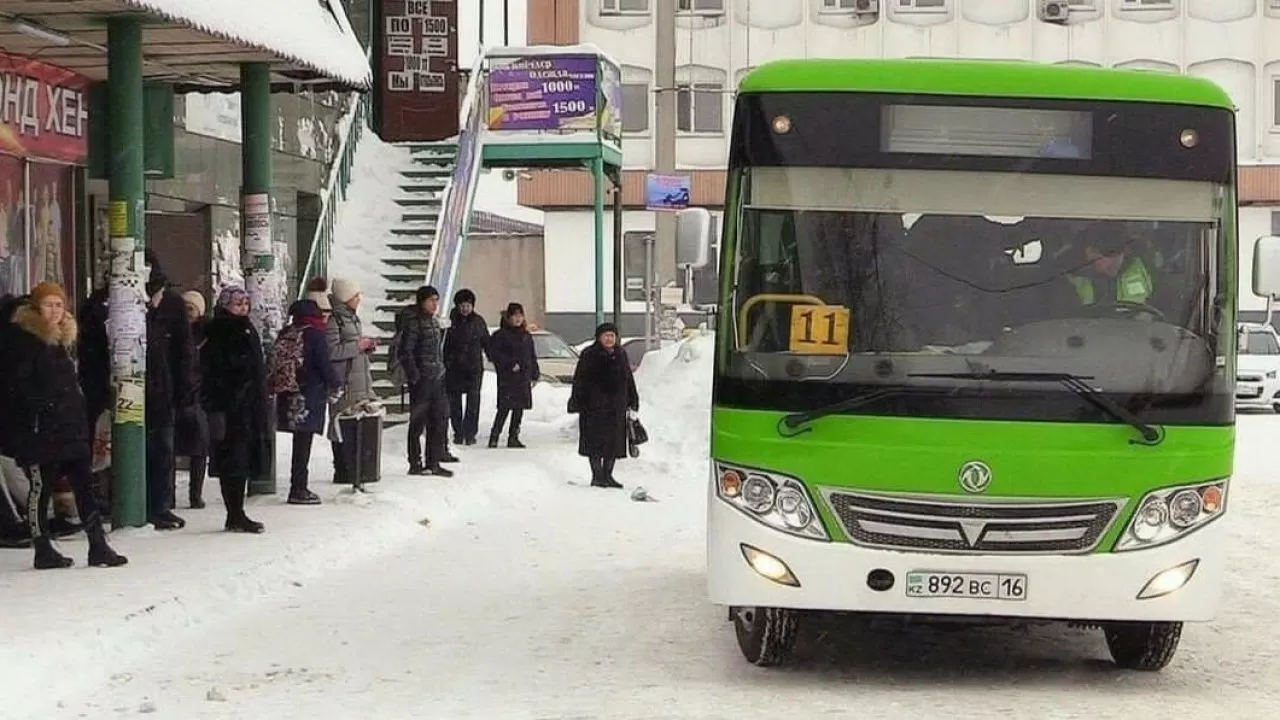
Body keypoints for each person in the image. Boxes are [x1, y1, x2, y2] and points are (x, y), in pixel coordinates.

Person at [1, 282, 127, 568]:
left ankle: (98, 545)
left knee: (84, 486)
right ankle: (42, 547)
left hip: (69, 427)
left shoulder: (62, 340)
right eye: (48, 304)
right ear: (36, 307)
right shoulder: (23, 341)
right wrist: (33, 418)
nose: (55, 311)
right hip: (39, 430)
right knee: (40, 489)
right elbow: (17, 389)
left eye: (59, 304)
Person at [201, 286, 270, 533]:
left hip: (246, 407)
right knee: (234, 460)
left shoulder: (244, 328)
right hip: (233, 408)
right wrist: (238, 392)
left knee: (239, 459)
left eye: (245, 303)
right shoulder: (223, 331)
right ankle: (235, 512)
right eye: (237, 303)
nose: (242, 308)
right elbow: (220, 370)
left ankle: (236, 512)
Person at [144, 258, 194, 530]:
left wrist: (184, 388)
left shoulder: (172, 304)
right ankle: (142, 503)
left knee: (162, 449)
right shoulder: (122, 301)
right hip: (138, 389)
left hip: (163, 388)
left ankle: (160, 504)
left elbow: (184, 349)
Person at [275, 299, 342, 505]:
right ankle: (298, 487)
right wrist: (336, 383)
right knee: (303, 443)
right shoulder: (314, 334)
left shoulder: (287, 332)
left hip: (289, 393)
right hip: (309, 394)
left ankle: (298, 485)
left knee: (299, 441)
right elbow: (323, 364)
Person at [567, 323, 639, 489]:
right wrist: (577, 400)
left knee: (613, 443)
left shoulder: (621, 354)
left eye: (612, 336)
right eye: (606, 335)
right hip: (593, 407)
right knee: (594, 442)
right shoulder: (589, 354)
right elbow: (580, 380)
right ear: (599, 337)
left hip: (616, 407)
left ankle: (608, 475)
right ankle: (597, 476)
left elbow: (628, 378)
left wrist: (633, 398)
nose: (609, 339)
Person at [397, 285, 454, 477]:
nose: (435, 304)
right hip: (422, 379)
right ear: (422, 301)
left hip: (437, 377)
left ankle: (433, 461)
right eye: (431, 300)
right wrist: (415, 375)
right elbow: (406, 351)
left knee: (438, 420)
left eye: (436, 300)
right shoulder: (414, 323)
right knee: (417, 422)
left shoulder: (434, 322)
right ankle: (415, 461)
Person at [326, 278, 377, 484]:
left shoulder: (353, 319)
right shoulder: (334, 321)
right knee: (340, 423)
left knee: (355, 425)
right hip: (344, 381)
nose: (359, 299)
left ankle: (355, 468)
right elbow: (332, 350)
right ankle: (341, 468)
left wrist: (366, 346)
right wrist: (358, 346)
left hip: (359, 379)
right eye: (355, 296)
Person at [486, 302, 539, 449]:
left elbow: (531, 356)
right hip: (508, 378)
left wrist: (535, 373)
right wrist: (509, 364)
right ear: (508, 317)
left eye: (520, 315)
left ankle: (513, 437)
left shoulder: (526, 335)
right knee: (504, 408)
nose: (518, 319)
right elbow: (494, 354)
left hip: (523, 377)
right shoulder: (500, 335)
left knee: (519, 409)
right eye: (515, 315)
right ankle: (494, 436)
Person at [176, 290, 210, 509]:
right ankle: (168, 495)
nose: (187, 312)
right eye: (184, 307)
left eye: (191, 308)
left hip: (199, 396)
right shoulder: (172, 331)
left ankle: (195, 494)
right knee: (172, 448)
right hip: (178, 395)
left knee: (199, 448)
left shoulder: (206, 335)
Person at [443, 288, 489, 446]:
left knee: (473, 401)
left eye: (468, 305)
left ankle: (470, 433)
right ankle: (458, 432)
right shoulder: (449, 322)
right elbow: (443, 345)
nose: (465, 308)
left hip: (474, 367)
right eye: (462, 305)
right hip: (454, 368)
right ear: (457, 305)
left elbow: (487, 343)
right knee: (454, 402)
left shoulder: (479, 321)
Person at [1067, 226, 1153, 307]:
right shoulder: (1068, 280)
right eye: (1108, 254)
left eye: (1119, 252)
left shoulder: (1146, 269)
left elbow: (1163, 308)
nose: (1116, 261)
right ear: (1089, 253)